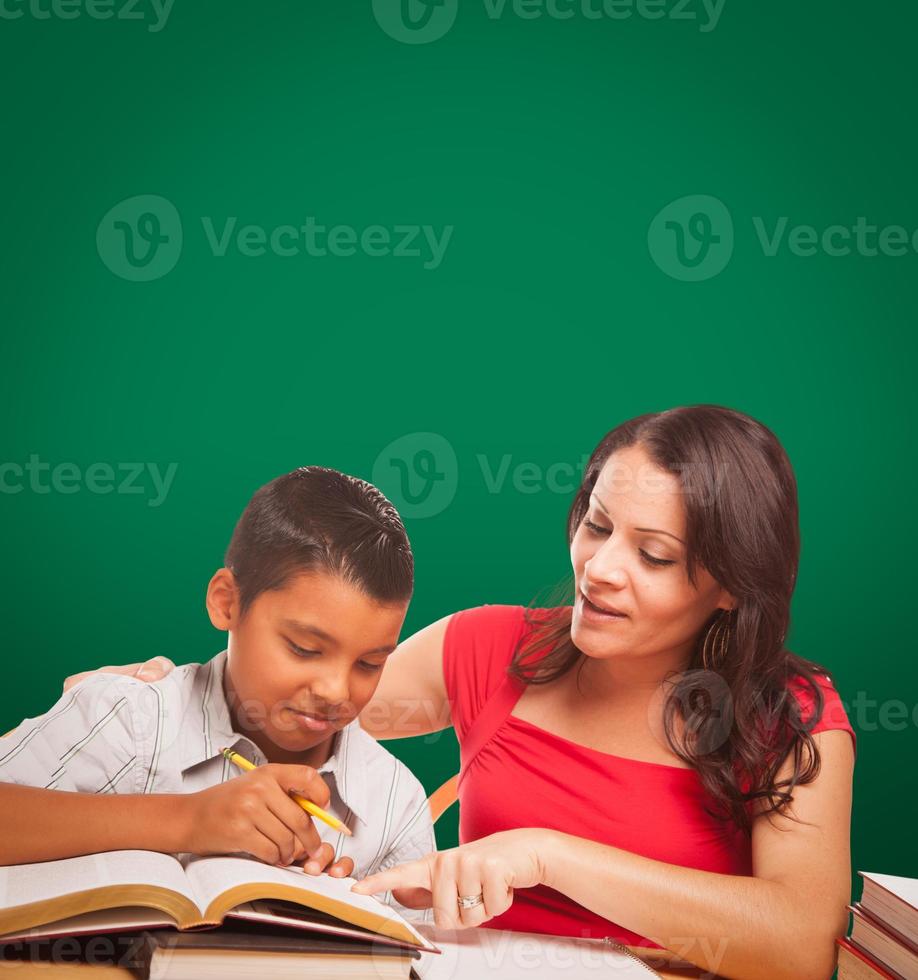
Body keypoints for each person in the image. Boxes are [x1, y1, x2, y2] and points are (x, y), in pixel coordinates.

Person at [63, 406, 856, 978]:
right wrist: (164, 689)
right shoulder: (490, 649)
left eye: (653, 555)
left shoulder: (789, 714)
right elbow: (298, 702)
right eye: (598, 523)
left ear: (730, 585)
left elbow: (798, 943)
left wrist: (545, 856)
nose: (601, 568)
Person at [0, 467, 435, 919]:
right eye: (304, 648)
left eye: (370, 663)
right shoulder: (130, 719)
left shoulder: (395, 803)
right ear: (227, 602)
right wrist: (187, 820)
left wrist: (332, 915)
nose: (335, 690)